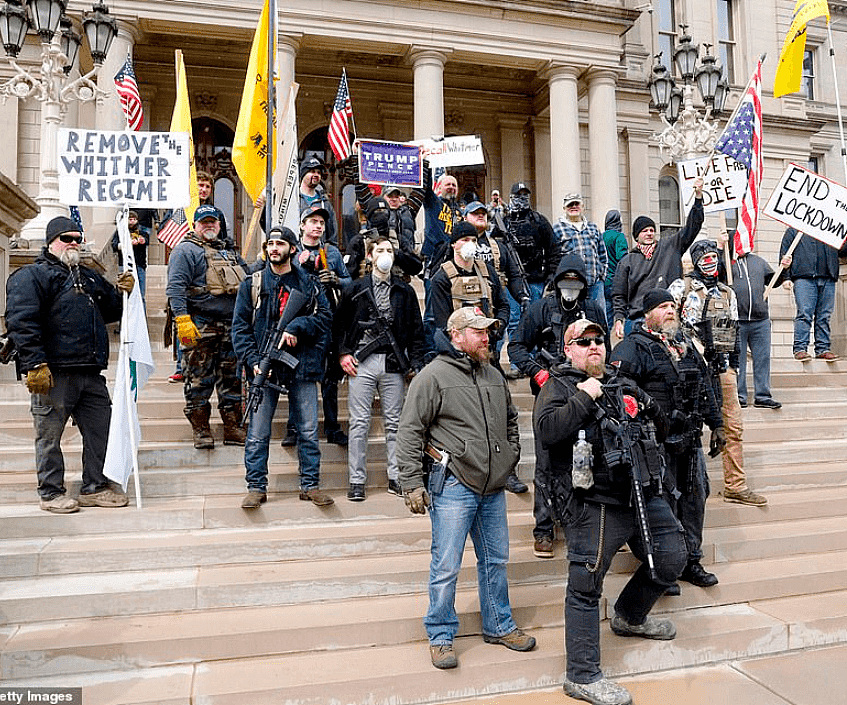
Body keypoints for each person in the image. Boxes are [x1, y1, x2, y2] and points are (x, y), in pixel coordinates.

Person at [535, 318, 686, 705]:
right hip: (596, 502)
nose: (594, 346)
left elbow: (658, 420)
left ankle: (630, 616)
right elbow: (549, 432)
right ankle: (582, 675)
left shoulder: (622, 383)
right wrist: (584, 397)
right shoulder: (559, 386)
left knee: (671, 558)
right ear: (568, 349)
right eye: (582, 342)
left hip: (642, 492)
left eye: (599, 340)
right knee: (585, 586)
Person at [397, 306, 537, 670]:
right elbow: (410, 430)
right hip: (454, 484)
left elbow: (510, 420)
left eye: (488, 331)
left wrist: (510, 456)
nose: (486, 337)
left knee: (496, 560)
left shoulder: (493, 374)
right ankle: (441, 635)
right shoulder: (432, 376)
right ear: (456, 335)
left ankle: (499, 625)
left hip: (492, 486)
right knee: (446, 564)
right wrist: (411, 483)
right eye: (478, 332)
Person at [5, 215, 133, 513]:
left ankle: (95, 486)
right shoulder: (31, 276)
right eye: (67, 238)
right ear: (51, 242)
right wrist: (34, 363)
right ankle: (50, 492)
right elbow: (21, 322)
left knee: (101, 430)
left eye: (78, 238)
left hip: (90, 372)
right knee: (49, 436)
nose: (74, 244)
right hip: (53, 373)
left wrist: (123, 292)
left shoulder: (88, 276)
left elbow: (113, 311)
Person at [610, 289, 725, 592]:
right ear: (647, 314)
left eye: (672, 305)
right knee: (662, 503)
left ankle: (691, 561)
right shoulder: (633, 347)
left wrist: (718, 425)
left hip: (690, 439)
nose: (670, 310)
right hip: (655, 442)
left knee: (694, 499)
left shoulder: (686, 345)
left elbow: (706, 387)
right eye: (662, 306)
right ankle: (664, 565)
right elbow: (620, 390)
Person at [508, 253, 608, 557]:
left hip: (588, 391)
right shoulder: (541, 309)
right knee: (547, 462)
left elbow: (604, 347)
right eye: (566, 281)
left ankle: (583, 519)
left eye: (577, 282)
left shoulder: (592, 309)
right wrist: (537, 371)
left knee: (591, 456)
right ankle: (544, 528)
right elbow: (516, 346)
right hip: (551, 390)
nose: (570, 287)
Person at [232, 226, 334, 508]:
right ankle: (256, 486)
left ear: (292, 248)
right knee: (258, 431)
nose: (274, 248)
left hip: (301, 363)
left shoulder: (309, 284)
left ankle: (310, 485)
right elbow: (240, 329)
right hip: (263, 366)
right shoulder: (251, 284)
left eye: (280, 243)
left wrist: (297, 326)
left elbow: (325, 320)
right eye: (270, 244)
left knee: (308, 430)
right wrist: (253, 361)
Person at [669, 240, 767, 507]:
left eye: (714, 256)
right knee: (685, 428)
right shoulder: (681, 287)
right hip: (689, 370)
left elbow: (734, 329)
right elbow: (666, 321)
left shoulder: (728, 293)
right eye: (705, 257)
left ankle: (736, 485)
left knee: (732, 427)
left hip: (722, 369)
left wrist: (733, 365)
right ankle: (679, 491)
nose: (710, 261)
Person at [337, 237, 426, 501]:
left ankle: (396, 477)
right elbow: (339, 325)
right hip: (361, 362)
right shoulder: (355, 289)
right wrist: (343, 353)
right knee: (359, 423)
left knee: (395, 423)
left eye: (389, 250)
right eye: (380, 250)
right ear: (369, 256)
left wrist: (416, 364)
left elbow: (416, 332)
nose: (385, 254)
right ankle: (356, 480)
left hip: (392, 363)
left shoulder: (404, 291)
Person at [166, 204, 249, 449]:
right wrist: (182, 319)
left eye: (213, 222)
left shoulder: (230, 253)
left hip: (231, 327)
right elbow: (176, 288)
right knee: (198, 381)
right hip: (200, 326)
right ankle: (201, 430)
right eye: (204, 222)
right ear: (195, 225)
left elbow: (247, 279)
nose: (209, 226)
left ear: (220, 225)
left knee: (231, 380)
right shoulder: (185, 251)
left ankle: (232, 428)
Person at [280, 204, 351, 447]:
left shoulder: (331, 252)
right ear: (302, 225)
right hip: (299, 320)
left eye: (321, 222)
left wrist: (336, 279)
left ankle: (332, 426)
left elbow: (350, 282)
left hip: (326, 319)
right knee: (296, 376)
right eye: (313, 221)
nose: (318, 226)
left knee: (330, 378)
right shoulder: (291, 251)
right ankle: (293, 428)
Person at [612, 177, 704, 337]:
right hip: (638, 320)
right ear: (636, 236)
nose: (649, 233)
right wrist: (619, 319)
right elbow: (619, 294)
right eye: (644, 231)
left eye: (651, 230)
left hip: (669, 318)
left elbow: (692, 226)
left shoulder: (670, 246)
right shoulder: (627, 261)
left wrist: (698, 197)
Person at [779, 226, 847, 361]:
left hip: (828, 276)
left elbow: (842, 250)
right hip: (804, 277)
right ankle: (800, 349)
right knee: (804, 313)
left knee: (824, 316)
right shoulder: (794, 230)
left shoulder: (831, 228)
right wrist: (785, 277)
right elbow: (785, 255)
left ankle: (823, 349)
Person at [491, 181, 561, 303]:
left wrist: (551, 276)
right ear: (512, 197)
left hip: (536, 282)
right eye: (518, 195)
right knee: (514, 320)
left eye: (525, 195)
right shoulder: (503, 223)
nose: (522, 198)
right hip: (510, 284)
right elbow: (493, 248)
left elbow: (553, 250)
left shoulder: (539, 220)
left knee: (536, 318)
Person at [731, 250, 784, 408]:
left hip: (760, 319)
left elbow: (774, 281)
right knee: (737, 361)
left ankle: (762, 395)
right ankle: (739, 395)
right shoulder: (726, 261)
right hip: (736, 320)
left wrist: (784, 269)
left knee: (762, 359)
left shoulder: (759, 261)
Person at [553, 193, 607, 318]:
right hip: (570, 286)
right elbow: (553, 258)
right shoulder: (557, 228)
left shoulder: (593, 228)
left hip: (595, 285)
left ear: (583, 207)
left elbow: (602, 254)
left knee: (598, 319)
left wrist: (601, 276)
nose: (574, 207)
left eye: (576, 204)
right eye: (570, 205)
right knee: (572, 320)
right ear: (564, 208)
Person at [299, 156, 338, 246]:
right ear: (303, 174)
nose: (316, 175)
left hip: (319, 254)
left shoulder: (325, 203)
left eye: (319, 172)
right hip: (296, 254)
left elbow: (332, 235)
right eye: (312, 171)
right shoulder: (293, 199)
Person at [110, 210, 149, 301]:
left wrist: (143, 241)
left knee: (141, 294)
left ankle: (142, 314)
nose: (132, 221)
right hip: (124, 266)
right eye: (130, 219)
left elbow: (146, 241)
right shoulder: (120, 232)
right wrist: (127, 244)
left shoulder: (143, 233)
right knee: (125, 293)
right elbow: (114, 245)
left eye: (134, 219)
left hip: (139, 265)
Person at [602, 210, 629, 330]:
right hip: (617, 281)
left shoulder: (601, 236)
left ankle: (607, 344)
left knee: (607, 316)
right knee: (624, 313)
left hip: (604, 281)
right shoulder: (619, 236)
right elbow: (623, 259)